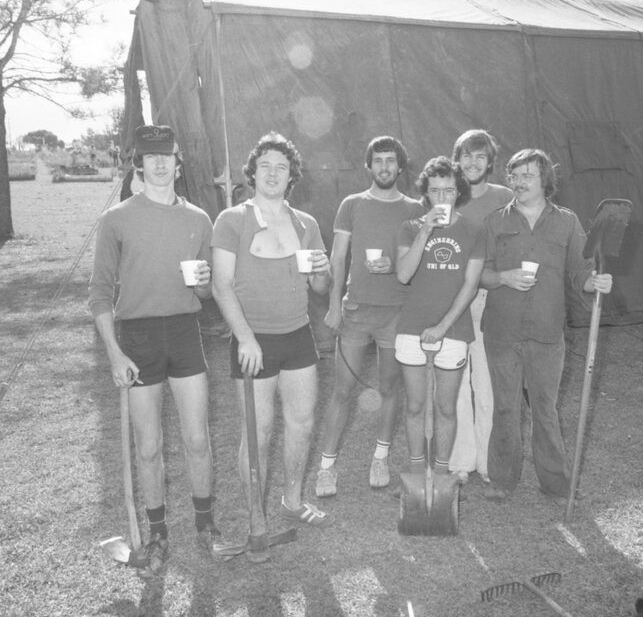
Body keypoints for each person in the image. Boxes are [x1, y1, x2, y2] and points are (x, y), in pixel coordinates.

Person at [88, 124, 222, 574]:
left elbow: (206, 297)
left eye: (167, 154)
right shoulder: (117, 219)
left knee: (197, 438)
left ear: (178, 162)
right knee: (148, 447)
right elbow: (99, 294)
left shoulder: (199, 219)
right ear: (138, 164)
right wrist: (114, 354)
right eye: (151, 156)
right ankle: (158, 534)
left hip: (184, 333)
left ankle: (205, 524)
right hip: (138, 338)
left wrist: (205, 286)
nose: (160, 162)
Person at [211, 132, 334, 563]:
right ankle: (256, 518)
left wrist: (323, 270)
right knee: (257, 433)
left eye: (281, 167)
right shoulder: (232, 220)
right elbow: (220, 284)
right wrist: (245, 338)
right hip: (253, 339)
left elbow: (320, 287)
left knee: (301, 423)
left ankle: (292, 499)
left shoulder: (306, 224)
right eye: (265, 165)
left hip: (298, 335)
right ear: (252, 172)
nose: (273, 173)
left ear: (291, 177)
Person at [479, 149, 613, 502]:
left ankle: (555, 482)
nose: (519, 182)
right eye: (514, 175)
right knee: (505, 407)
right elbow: (480, 273)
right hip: (501, 331)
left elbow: (580, 271)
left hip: (548, 331)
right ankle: (502, 479)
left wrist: (594, 283)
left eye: (528, 175)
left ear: (545, 182)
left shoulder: (567, 222)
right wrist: (503, 277)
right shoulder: (495, 222)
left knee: (545, 408)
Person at [315, 136, 425, 497]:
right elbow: (337, 257)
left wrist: (394, 265)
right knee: (342, 391)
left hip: (398, 311)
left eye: (390, 161)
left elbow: (417, 260)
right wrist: (334, 303)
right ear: (368, 166)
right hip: (357, 310)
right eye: (378, 161)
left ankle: (380, 457)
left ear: (400, 166)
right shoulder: (352, 204)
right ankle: (326, 467)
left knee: (390, 388)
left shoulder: (414, 208)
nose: (384, 167)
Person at [394, 157, 485, 478]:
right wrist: (426, 230)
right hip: (411, 329)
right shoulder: (410, 228)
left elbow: (471, 285)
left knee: (446, 407)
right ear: (426, 194)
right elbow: (403, 275)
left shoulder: (473, 229)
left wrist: (443, 327)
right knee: (416, 405)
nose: (442, 198)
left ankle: (443, 472)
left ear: (458, 191)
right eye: (435, 191)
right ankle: (417, 470)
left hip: (453, 330)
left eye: (448, 191)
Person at [448, 129, 515, 486]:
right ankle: (461, 461)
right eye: (466, 156)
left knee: (488, 383)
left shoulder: (505, 196)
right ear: (457, 159)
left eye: (480, 156)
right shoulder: (448, 196)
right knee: (456, 382)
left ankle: (490, 461)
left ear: (490, 161)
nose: (472, 163)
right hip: (454, 300)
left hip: (491, 300)